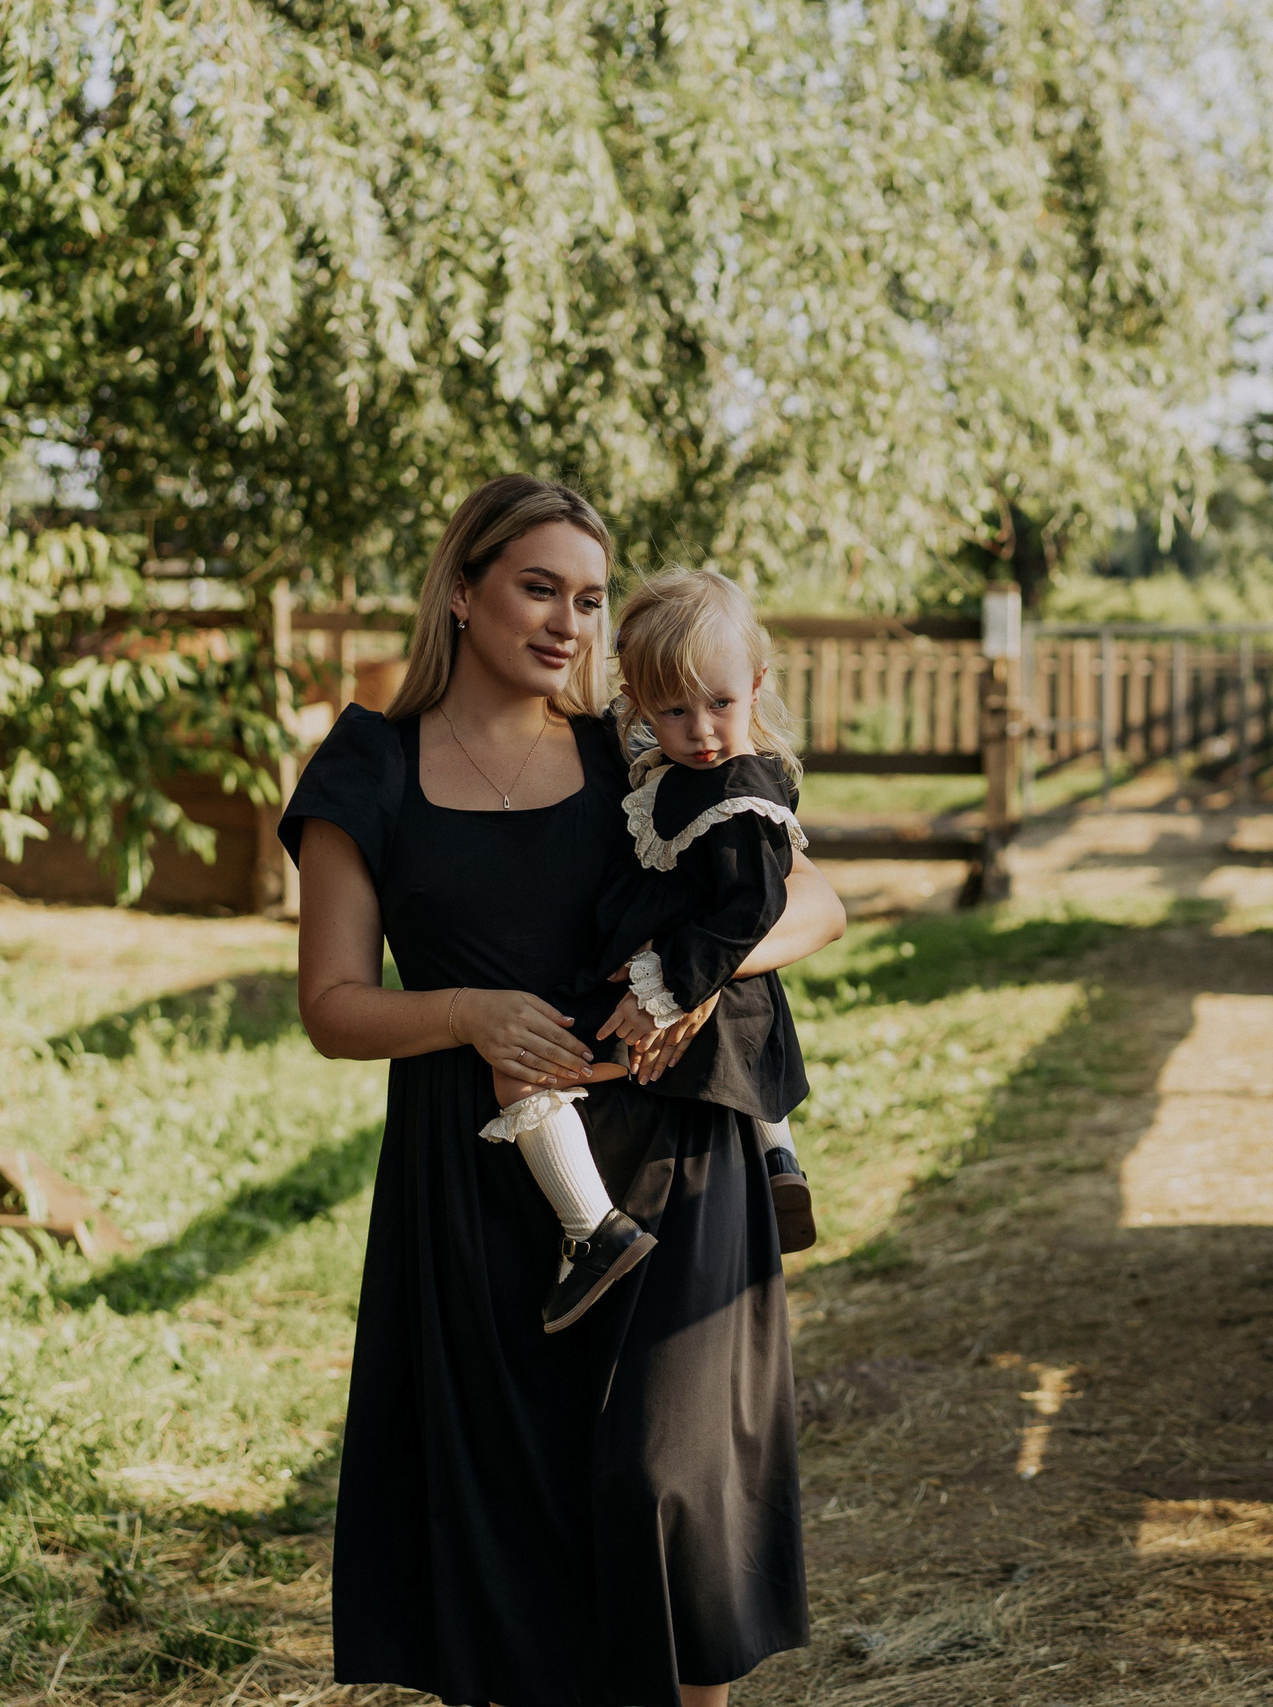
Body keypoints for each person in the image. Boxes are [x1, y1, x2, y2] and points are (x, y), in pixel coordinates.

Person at [285, 474, 843, 1707]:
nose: (569, 624)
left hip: (678, 1160)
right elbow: (331, 1005)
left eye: (589, 599)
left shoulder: (633, 747)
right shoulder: (366, 766)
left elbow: (816, 902)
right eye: (539, 588)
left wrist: (689, 979)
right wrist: (468, 1014)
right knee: (513, 1535)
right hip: (478, 1177)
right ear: (463, 589)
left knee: (668, 1499)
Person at [598, 570, 818, 1254]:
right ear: (638, 704)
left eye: (719, 703)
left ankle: (772, 1163)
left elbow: (754, 904)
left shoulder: (742, 792)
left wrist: (669, 985)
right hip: (692, 967)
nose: (700, 731)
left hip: (714, 985)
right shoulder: (674, 770)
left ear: (756, 683)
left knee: (714, 1116)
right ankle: (775, 1160)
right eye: (672, 712)